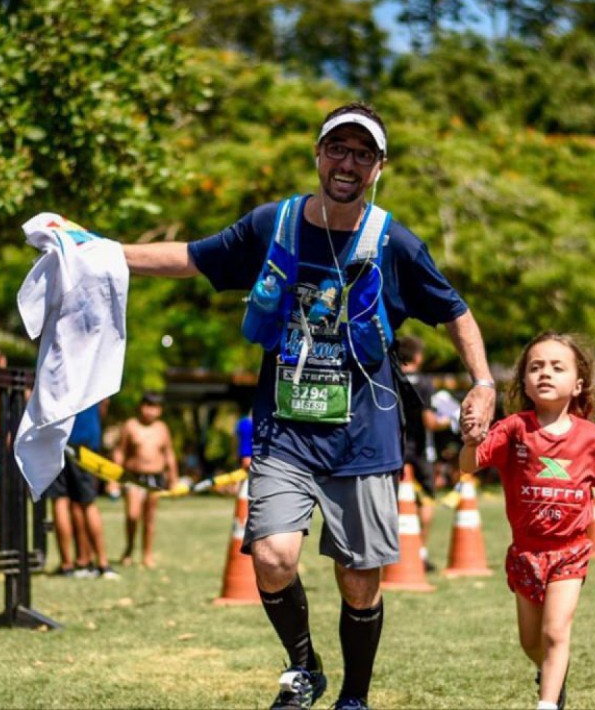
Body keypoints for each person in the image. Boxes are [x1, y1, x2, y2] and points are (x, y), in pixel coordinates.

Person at [120, 102, 497, 710]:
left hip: (364, 432)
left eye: (363, 153)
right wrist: (104, 252)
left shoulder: (393, 241)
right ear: (318, 154)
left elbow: (454, 309)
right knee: (271, 555)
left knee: (358, 579)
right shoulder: (276, 223)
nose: (348, 162)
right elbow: (194, 257)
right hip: (284, 428)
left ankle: (354, 696)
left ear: (378, 166)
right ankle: (303, 668)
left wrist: (483, 382)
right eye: (338, 149)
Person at [459, 332, 595, 710]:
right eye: (535, 367)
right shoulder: (513, 429)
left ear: (578, 383)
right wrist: (471, 441)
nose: (545, 373)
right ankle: (551, 671)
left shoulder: (591, 438)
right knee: (531, 642)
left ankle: (547, 703)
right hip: (525, 553)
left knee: (556, 632)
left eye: (557, 367)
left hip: (569, 552)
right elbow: (467, 468)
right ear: (523, 381)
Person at [395, 335, 454, 572]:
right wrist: (449, 419)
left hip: (393, 448)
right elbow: (429, 421)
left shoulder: (390, 378)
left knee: (391, 501)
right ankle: (420, 551)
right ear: (418, 357)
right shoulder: (425, 383)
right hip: (420, 450)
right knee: (426, 499)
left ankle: (390, 554)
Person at [46, 400, 118, 579]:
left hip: (57, 439)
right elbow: (104, 402)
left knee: (60, 500)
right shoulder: (91, 373)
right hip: (84, 440)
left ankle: (68, 565)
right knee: (87, 502)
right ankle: (102, 564)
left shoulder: (53, 372)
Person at [113, 391, 177, 569]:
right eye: (147, 406)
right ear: (141, 407)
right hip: (134, 477)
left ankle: (147, 554)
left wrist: (173, 478)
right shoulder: (131, 426)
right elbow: (120, 451)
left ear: (160, 410)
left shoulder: (162, 428)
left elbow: (169, 454)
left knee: (149, 518)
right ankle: (129, 548)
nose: (150, 411)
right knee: (133, 515)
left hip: (155, 477)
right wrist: (114, 478)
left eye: (155, 407)